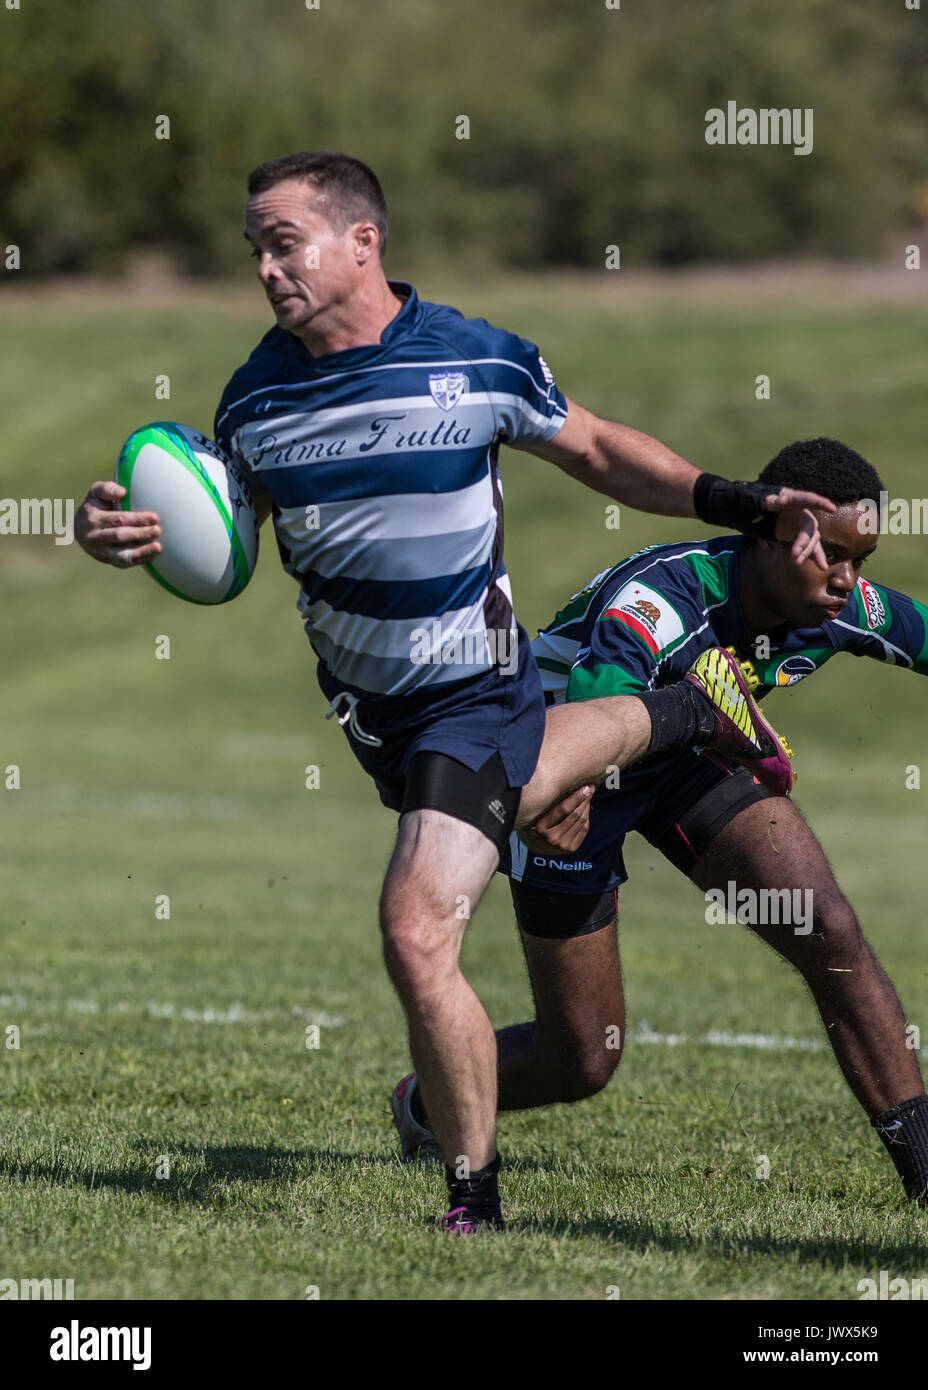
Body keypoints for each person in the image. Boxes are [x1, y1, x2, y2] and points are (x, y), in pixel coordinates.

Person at [74, 151, 832, 1233]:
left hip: (470, 694)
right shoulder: (254, 401)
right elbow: (212, 529)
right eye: (254, 250)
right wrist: (116, 532)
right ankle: (687, 713)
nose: (265, 270)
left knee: (416, 928)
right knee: (528, 801)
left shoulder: (474, 360)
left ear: (360, 242)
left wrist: (735, 498)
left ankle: (470, 1201)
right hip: (375, 718)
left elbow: (601, 449)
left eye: (282, 243)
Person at [393, 437, 928, 1209]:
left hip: (681, 758)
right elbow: (589, 726)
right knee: (581, 1059)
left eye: (861, 558)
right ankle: (422, 1104)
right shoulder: (660, 604)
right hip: (568, 777)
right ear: (764, 538)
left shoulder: (836, 605)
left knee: (827, 926)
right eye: (831, 555)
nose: (847, 579)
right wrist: (550, 810)